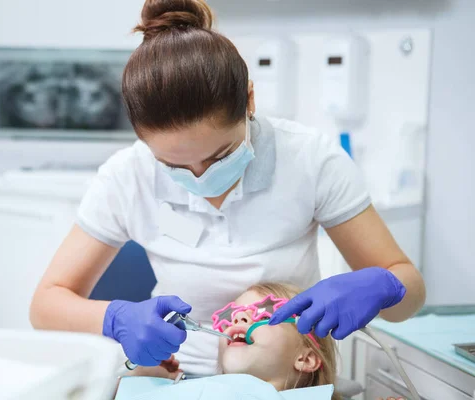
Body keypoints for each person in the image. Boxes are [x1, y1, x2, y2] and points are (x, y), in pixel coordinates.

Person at [30, 0, 426, 377]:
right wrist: (114, 319)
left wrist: (385, 286)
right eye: (173, 165)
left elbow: (409, 291)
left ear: (250, 100)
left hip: (283, 380)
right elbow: (46, 304)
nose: (200, 176)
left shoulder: (310, 160)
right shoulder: (127, 175)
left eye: (220, 155)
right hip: (174, 376)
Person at [114, 283, 403, 400]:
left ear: (305, 358)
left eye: (263, 312)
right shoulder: (194, 391)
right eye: (232, 315)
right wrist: (146, 373)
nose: (238, 321)